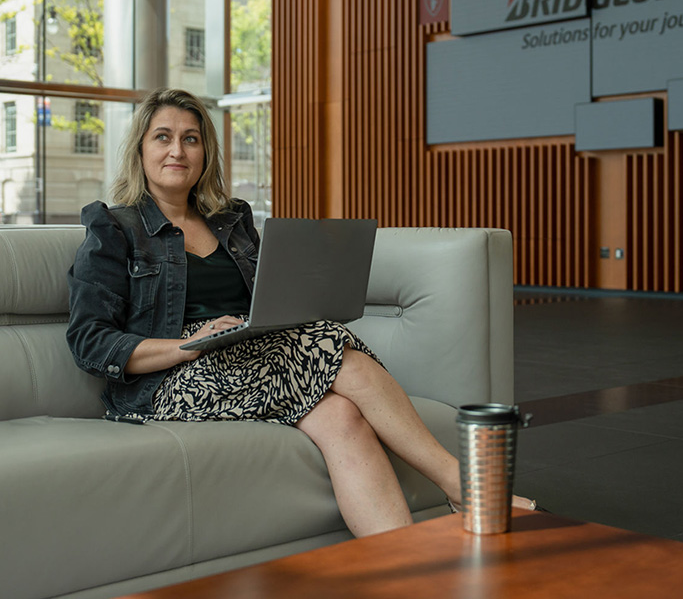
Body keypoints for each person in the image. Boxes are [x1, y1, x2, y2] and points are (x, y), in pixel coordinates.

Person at [67, 87, 535, 537]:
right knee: (336, 348)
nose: (178, 151)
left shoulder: (232, 221)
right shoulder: (114, 227)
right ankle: (465, 486)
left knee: (341, 418)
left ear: (205, 152)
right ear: (141, 150)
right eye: (162, 137)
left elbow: (265, 301)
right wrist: (187, 346)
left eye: (191, 138)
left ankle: (402, 573)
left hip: (249, 357)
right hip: (167, 382)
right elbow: (90, 342)